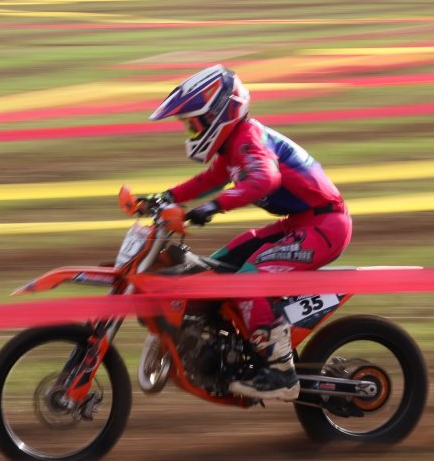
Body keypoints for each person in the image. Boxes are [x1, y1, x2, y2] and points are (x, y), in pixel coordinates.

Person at [139, 65, 351, 401]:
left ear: (218, 115)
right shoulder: (232, 146)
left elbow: (265, 180)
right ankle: (229, 343)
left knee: (249, 280)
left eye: (193, 124)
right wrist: (165, 197)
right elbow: (207, 180)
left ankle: (281, 372)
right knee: (218, 264)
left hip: (324, 226)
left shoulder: (249, 139)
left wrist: (215, 206)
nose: (191, 132)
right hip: (301, 222)